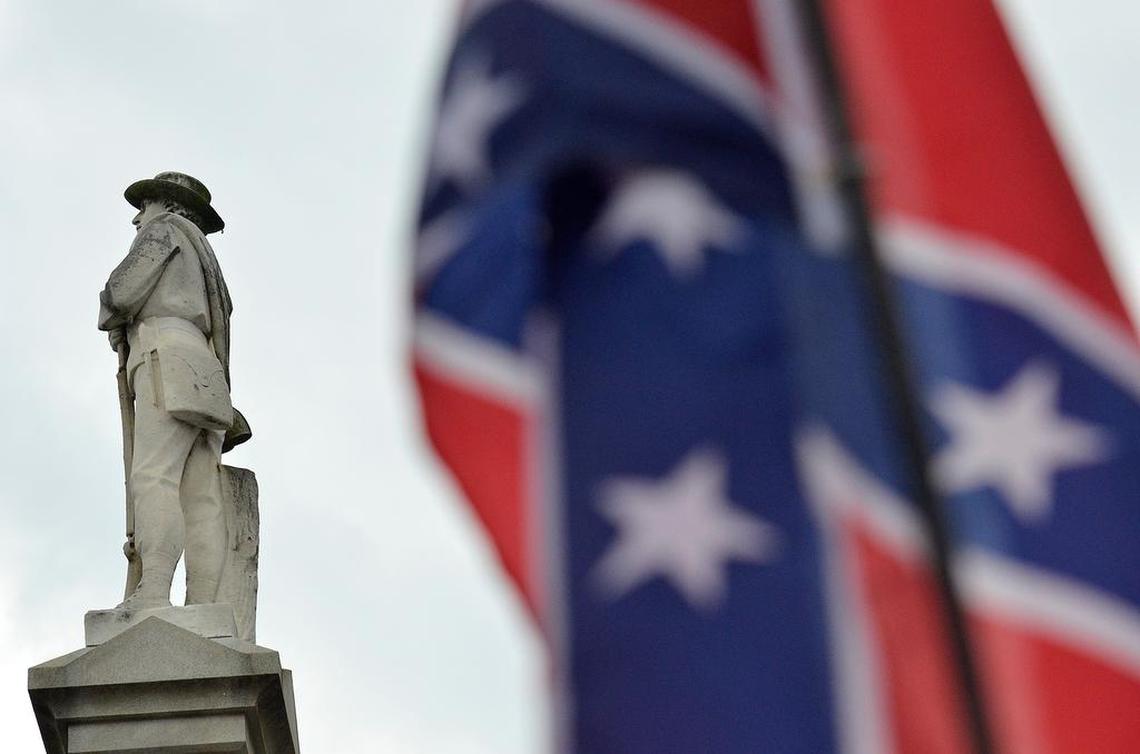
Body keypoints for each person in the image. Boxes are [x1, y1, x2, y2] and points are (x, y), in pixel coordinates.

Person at [98, 171, 248, 609]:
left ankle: (154, 592)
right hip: (206, 372)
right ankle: (204, 607)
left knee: (154, 476)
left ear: (166, 204)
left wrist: (111, 310)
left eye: (143, 207)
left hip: (164, 354)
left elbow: (121, 294)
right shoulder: (207, 262)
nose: (137, 219)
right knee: (200, 494)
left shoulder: (164, 232)